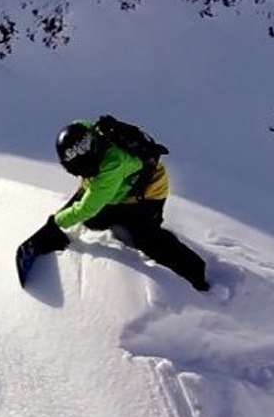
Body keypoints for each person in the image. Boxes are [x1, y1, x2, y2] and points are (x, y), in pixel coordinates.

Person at [28, 118, 210, 291]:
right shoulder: (85, 131)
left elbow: (87, 207)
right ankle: (116, 215)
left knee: (147, 238)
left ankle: (195, 272)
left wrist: (57, 222)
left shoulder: (111, 166)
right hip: (121, 189)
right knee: (93, 221)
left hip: (148, 194)